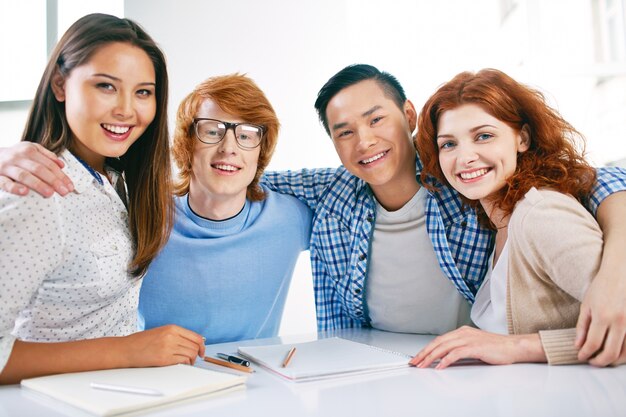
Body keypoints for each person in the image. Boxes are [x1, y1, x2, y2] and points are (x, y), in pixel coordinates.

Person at [3, 64, 626, 365]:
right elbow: (223, 175)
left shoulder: (461, 185)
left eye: (377, 120)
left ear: (409, 118)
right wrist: (14, 160)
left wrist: (617, 259)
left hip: (458, 377)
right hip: (171, 381)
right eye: (342, 131)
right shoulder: (144, 209)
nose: (364, 143)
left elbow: (597, 177)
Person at [0, 13, 204, 385]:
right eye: (106, 86)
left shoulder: (114, 176)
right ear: (61, 85)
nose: (127, 109)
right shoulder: (37, 193)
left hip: (113, 395)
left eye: (143, 92)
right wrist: (128, 350)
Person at [410, 69, 625, 368]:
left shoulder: (541, 214)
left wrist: (518, 347)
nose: (465, 157)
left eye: (483, 136)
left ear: (522, 138)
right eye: (449, 144)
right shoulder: (498, 224)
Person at [138, 74, 312, 344]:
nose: (229, 148)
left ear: (260, 151)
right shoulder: (145, 217)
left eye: (246, 135)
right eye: (212, 131)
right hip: (160, 380)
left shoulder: (290, 218)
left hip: (257, 380)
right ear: (187, 144)